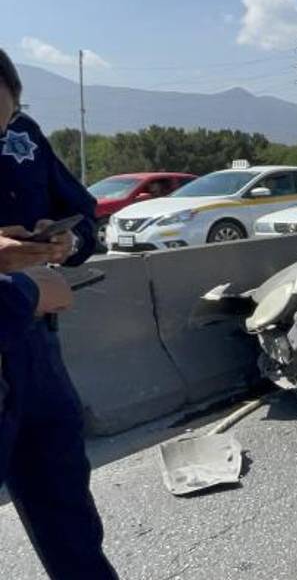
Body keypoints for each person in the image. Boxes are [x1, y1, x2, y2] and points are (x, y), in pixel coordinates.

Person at [0, 48, 118, 578]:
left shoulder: (24, 136)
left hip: (36, 350)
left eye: (4, 120)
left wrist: (68, 242)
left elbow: (84, 216)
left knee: (67, 513)